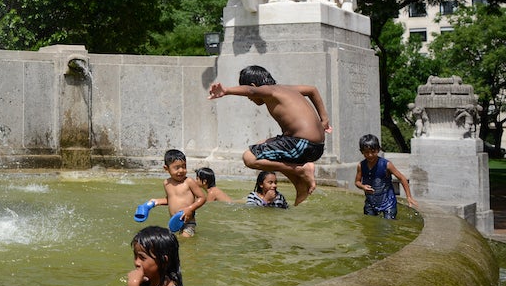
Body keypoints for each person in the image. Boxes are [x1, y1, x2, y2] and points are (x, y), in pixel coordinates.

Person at [208, 65, 331, 206]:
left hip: (302, 144)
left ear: (255, 86)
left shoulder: (268, 90)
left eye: (249, 96)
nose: (250, 98)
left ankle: (302, 170)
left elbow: (251, 90)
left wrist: (226, 90)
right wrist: (324, 120)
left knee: (249, 157)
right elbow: (312, 90)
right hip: (314, 145)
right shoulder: (285, 89)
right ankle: (299, 185)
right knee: (261, 145)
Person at [134, 149, 207, 237]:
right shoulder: (167, 183)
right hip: (174, 222)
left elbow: (202, 197)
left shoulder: (189, 182)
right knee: (168, 241)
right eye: (177, 168)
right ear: (166, 168)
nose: (181, 170)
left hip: (188, 222)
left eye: (184, 166)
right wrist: (156, 202)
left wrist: (190, 209)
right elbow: (171, 199)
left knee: (185, 240)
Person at [355, 133, 419, 219]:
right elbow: (357, 182)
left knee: (388, 227)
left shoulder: (387, 165)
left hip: (388, 203)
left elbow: (402, 178)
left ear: (378, 150)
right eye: (366, 152)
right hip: (371, 203)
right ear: (362, 152)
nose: (370, 155)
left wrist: (409, 197)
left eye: (373, 152)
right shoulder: (361, 165)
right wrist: (363, 186)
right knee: (369, 226)